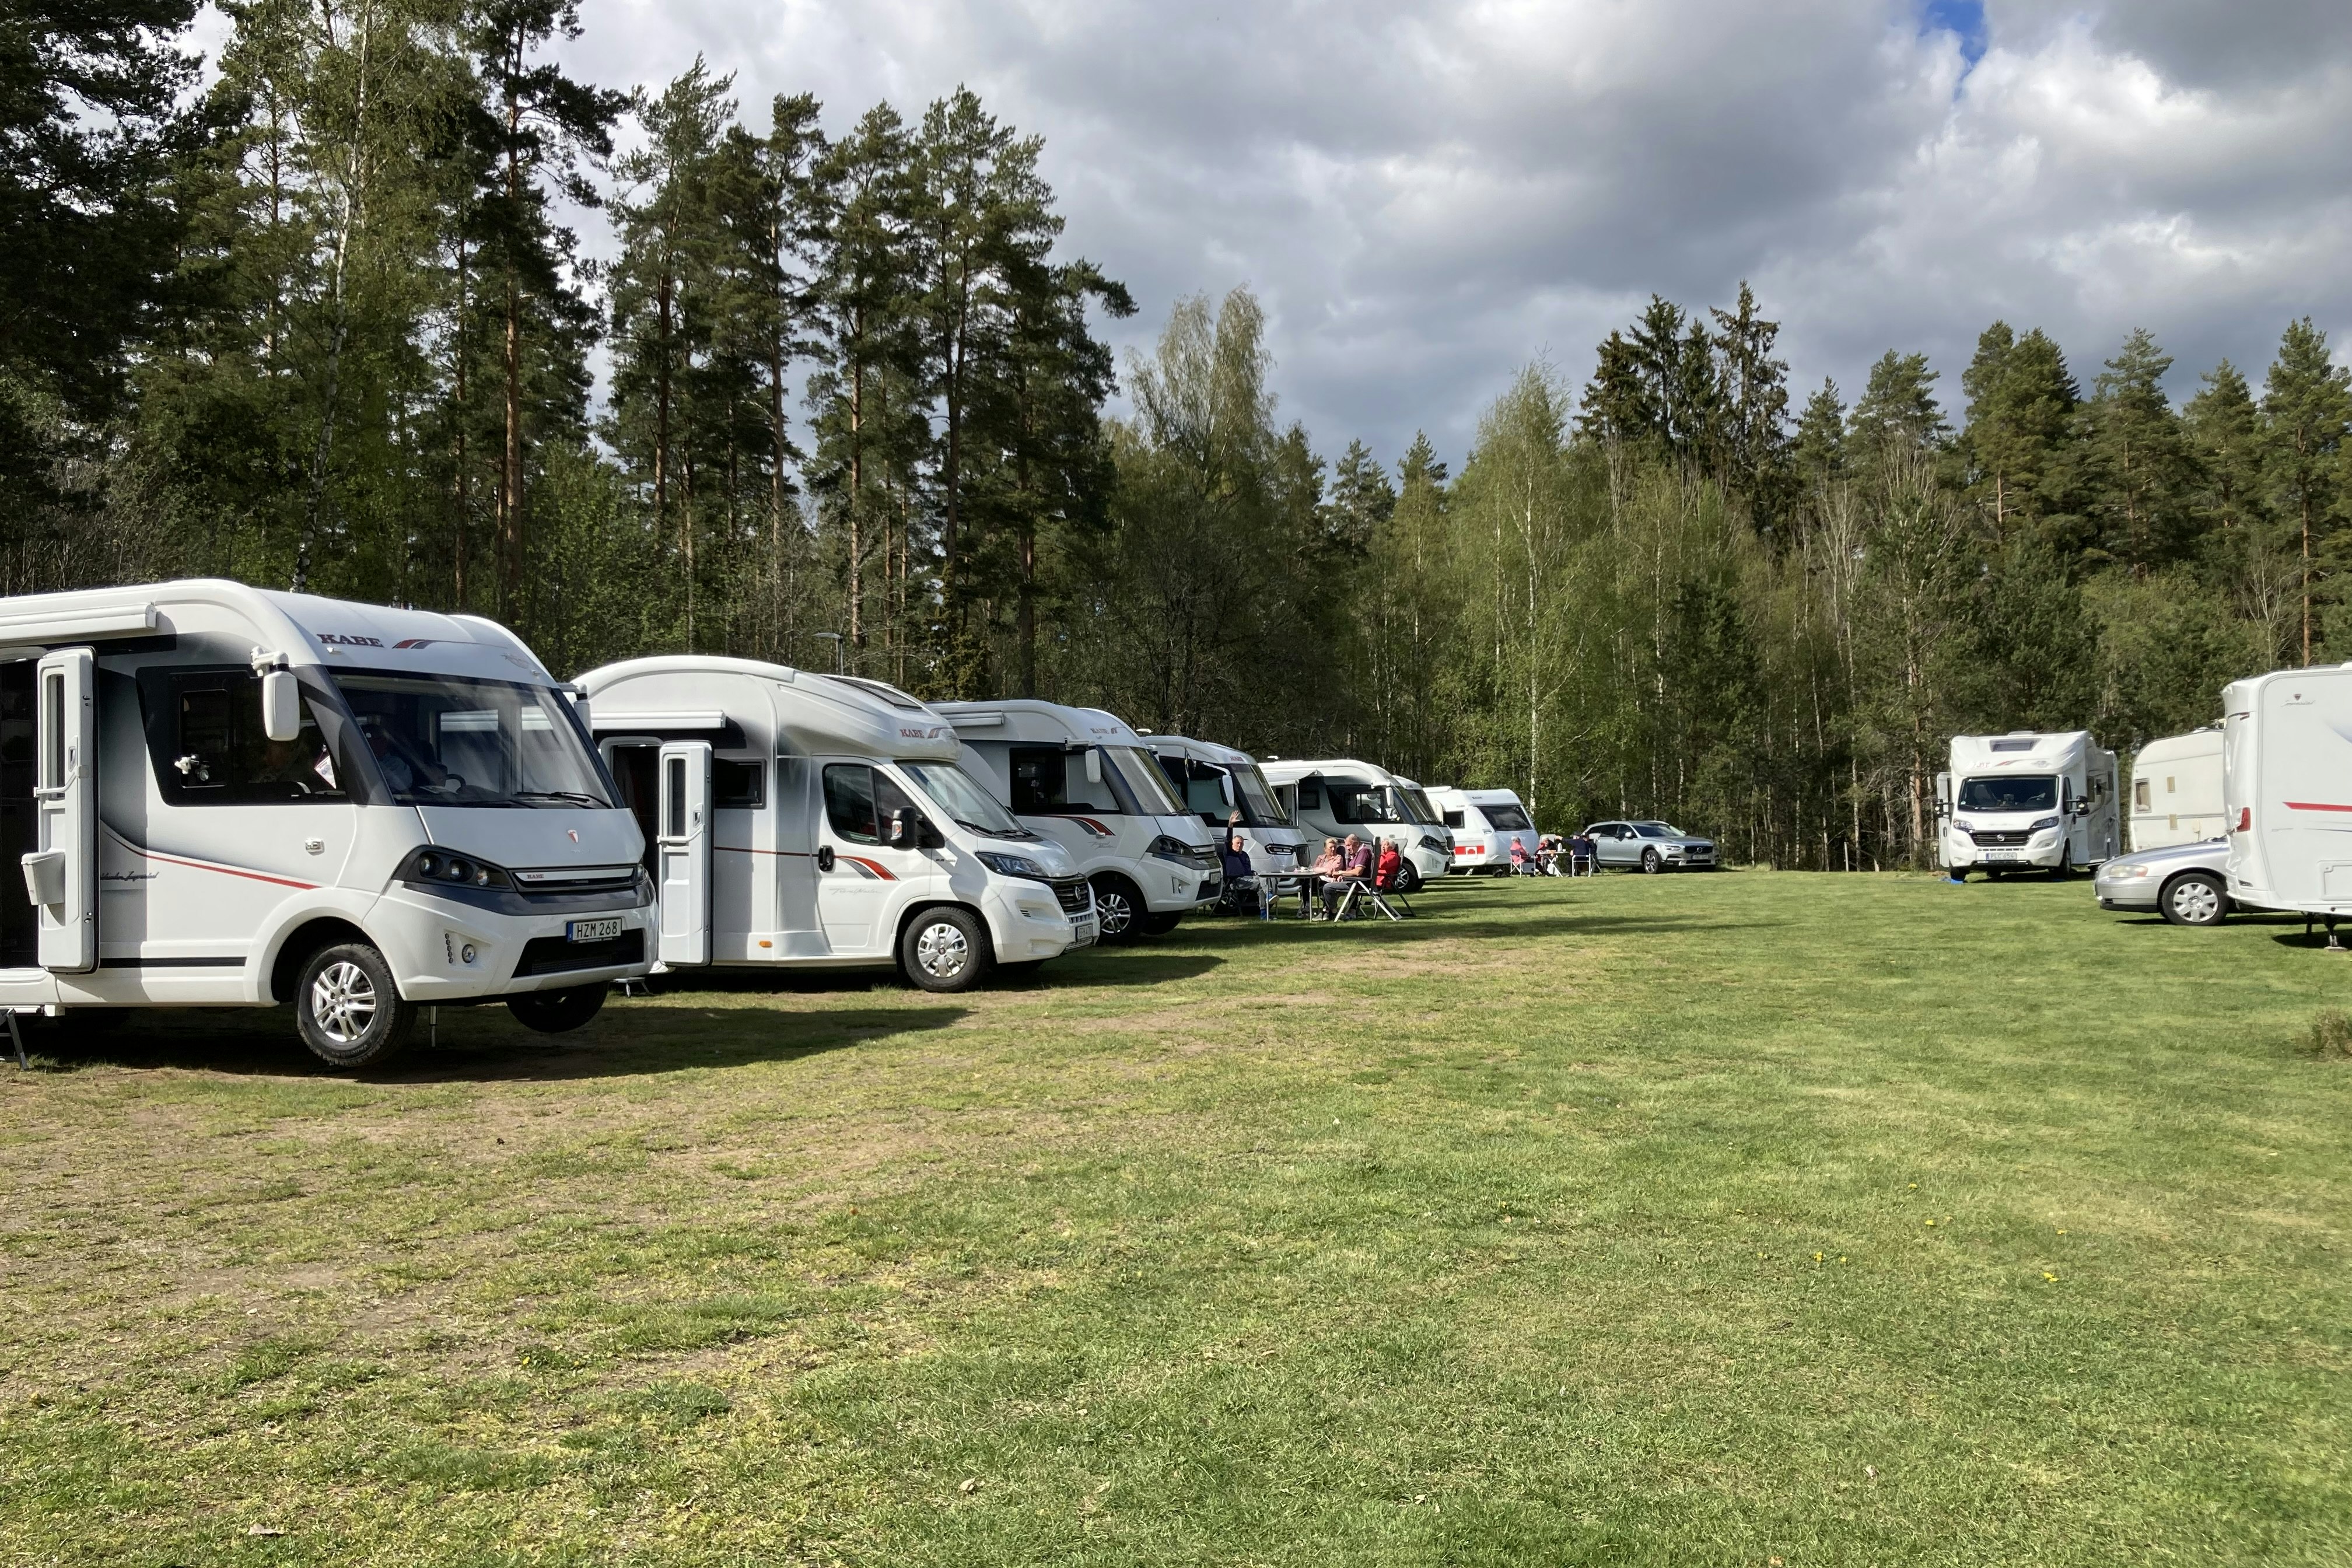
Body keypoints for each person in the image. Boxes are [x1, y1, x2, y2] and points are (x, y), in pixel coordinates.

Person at [1322, 833, 1374, 918]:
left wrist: (1340, 873)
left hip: (1358, 884)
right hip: (1352, 882)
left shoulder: (1364, 852)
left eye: (1349, 845)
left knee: (1327, 887)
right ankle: (1329, 912)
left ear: (1356, 844)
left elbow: (1358, 872)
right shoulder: (1357, 854)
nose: (1347, 848)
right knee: (1325, 885)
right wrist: (1343, 876)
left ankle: (1333, 912)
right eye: (1346, 846)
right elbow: (1351, 870)